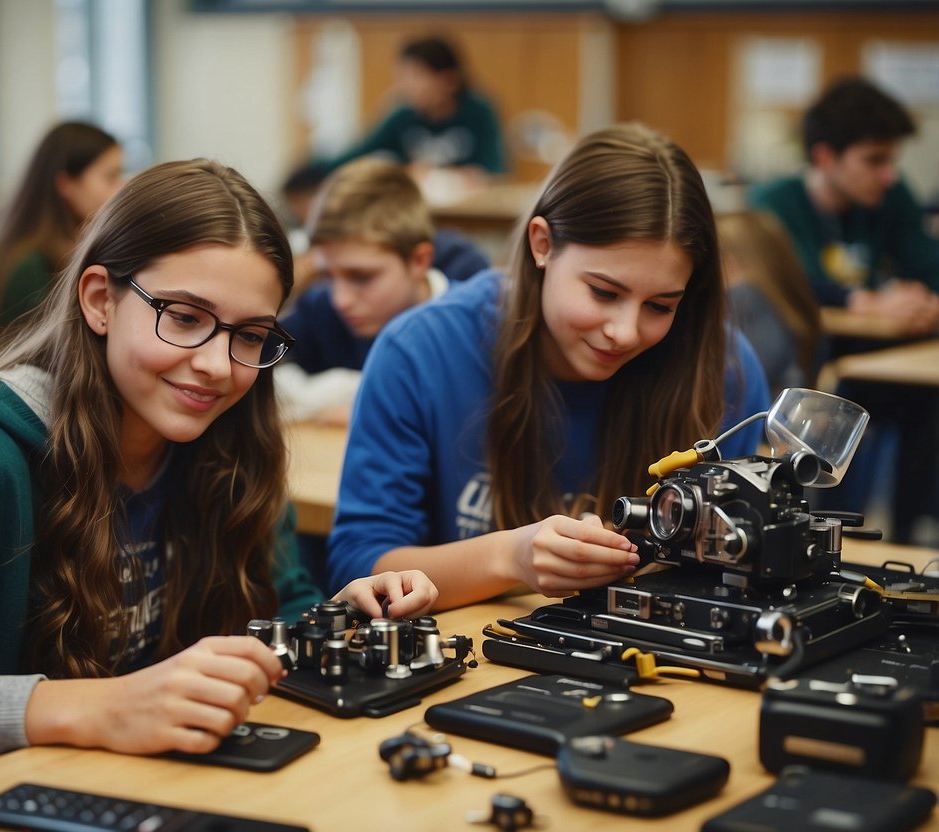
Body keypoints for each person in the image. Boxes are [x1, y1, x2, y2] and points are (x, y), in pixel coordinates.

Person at [0, 159, 437, 827]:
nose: (218, 366)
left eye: (250, 335)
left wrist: (325, 624)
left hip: (130, 796)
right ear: (99, 300)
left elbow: (264, 615)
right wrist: (77, 708)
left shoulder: (228, 446)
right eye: (183, 317)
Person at [325, 124, 770, 610]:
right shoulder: (420, 351)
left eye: (660, 306)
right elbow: (359, 563)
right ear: (542, 244)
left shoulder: (723, 371)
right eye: (604, 292)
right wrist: (509, 557)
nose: (624, 331)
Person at [748, 76, 939, 543]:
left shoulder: (889, 200)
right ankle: (828, 535)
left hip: (884, 360)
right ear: (824, 157)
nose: (889, 175)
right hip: (816, 367)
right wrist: (866, 300)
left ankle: (907, 539)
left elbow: (929, 264)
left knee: (930, 404)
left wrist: (922, 301)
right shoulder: (775, 203)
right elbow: (794, 284)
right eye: (874, 161)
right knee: (843, 411)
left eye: (891, 160)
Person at [277, 156, 490, 425]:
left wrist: (365, 398)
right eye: (330, 276)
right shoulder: (320, 308)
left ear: (418, 262)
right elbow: (259, 377)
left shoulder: (473, 318)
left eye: (361, 277)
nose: (340, 300)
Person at [0, 121, 123, 360]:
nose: (120, 189)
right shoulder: (29, 266)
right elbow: (59, 357)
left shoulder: (30, 249)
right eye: (110, 177)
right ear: (67, 184)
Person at [310, 35, 506, 181]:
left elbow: (496, 169)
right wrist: (313, 168)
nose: (407, 86)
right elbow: (359, 152)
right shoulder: (402, 115)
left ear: (449, 80)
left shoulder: (480, 111)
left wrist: (458, 177)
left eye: (416, 76)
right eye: (403, 77)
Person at [717, 210, 822, 396]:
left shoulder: (744, 299)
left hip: (756, 420)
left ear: (728, 262)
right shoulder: (784, 300)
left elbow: (732, 385)